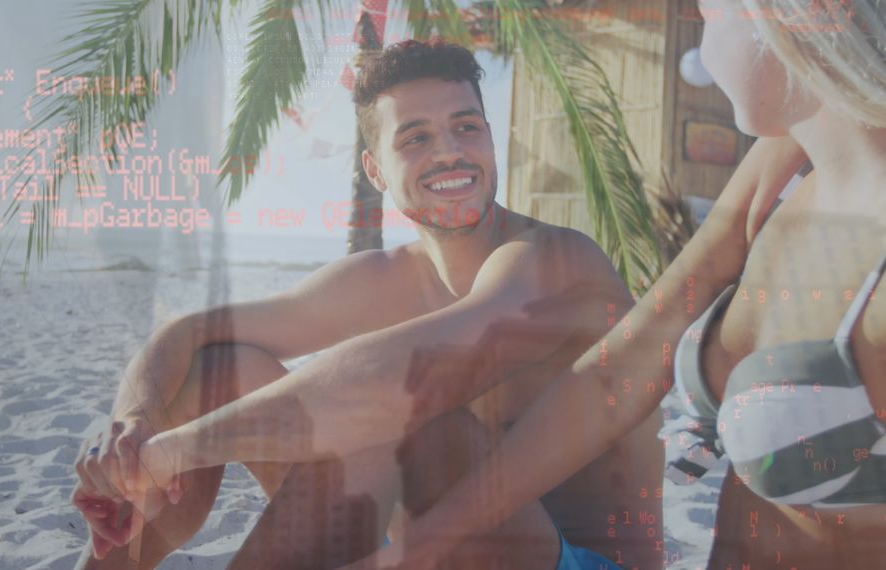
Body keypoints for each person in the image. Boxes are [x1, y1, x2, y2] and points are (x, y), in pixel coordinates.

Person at [320, 1, 886, 568]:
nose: (698, 31)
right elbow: (622, 367)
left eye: (709, 12)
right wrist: (414, 551)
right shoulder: (781, 163)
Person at [73, 39, 667, 569]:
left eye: (467, 127)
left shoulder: (553, 260)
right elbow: (194, 331)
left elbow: (406, 379)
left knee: (412, 423)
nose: (451, 153)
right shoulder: (382, 279)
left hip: (579, 561)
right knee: (218, 368)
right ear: (374, 169)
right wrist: (133, 434)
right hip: (423, 549)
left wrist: (175, 451)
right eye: (415, 138)